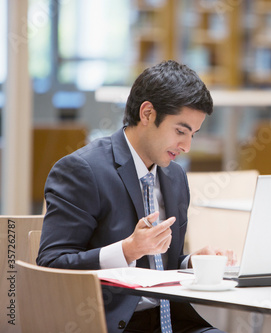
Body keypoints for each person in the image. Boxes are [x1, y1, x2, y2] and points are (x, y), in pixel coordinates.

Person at [38, 60, 235, 333]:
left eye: (193, 135)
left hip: (173, 321)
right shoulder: (82, 171)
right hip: (114, 324)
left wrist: (191, 262)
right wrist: (127, 250)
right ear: (147, 113)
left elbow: (155, 267)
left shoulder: (175, 177)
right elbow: (51, 265)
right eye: (180, 131)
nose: (187, 147)